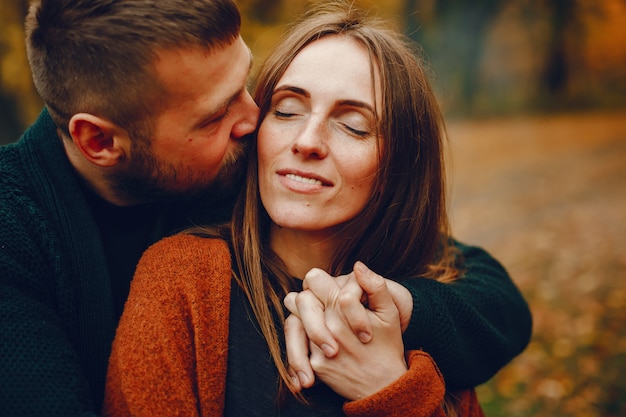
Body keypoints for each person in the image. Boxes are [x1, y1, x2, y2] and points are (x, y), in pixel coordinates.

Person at [0, 0, 530, 416]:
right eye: (214, 116)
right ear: (99, 142)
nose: (255, 122)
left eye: (250, 87)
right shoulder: (17, 230)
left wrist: (378, 312)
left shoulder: (244, 169)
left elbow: (492, 296)